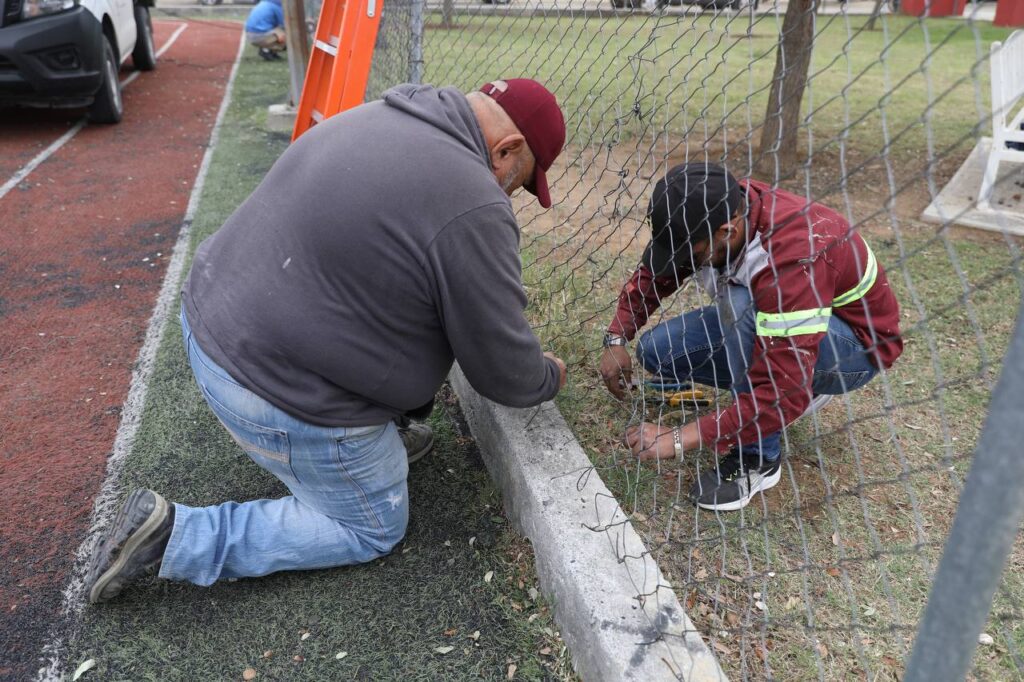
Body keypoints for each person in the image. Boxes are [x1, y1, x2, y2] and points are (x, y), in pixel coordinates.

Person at [84, 78, 568, 603]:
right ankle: (177, 536)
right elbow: (504, 373)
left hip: (213, 330)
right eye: (519, 183)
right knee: (373, 527)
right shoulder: (473, 200)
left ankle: (371, 446)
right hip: (268, 388)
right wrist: (548, 375)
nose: (509, 196)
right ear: (508, 149)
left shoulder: (387, 113)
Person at [600, 162, 902, 511]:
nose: (688, 262)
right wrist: (616, 337)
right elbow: (658, 274)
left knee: (741, 305)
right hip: (786, 322)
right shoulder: (711, 207)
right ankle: (797, 382)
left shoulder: (791, 258)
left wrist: (680, 439)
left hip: (854, 349)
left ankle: (758, 457)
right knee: (658, 352)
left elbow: (782, 392)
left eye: (693, 254)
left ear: (728, 231)